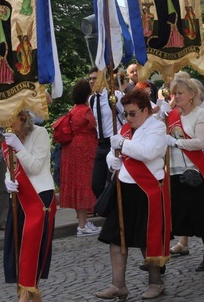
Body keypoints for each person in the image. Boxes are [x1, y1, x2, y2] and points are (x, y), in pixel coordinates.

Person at [95, 89, 169, 301]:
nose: (128, 118)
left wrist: (122, 145)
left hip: (147, 190)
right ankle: (118, 285)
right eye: (126, 113)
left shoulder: (157, 127)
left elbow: (147, 152)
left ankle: (155, 282)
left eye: (132, 113)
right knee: (117, 238)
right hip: (124, 188)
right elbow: (113, 151)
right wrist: (112, 160)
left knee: (148, 239)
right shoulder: (126, 129)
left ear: (146, 110)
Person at [166, 72, 204, 271]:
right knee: (177, 215)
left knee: (202, 216)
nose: (177, 97)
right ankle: (163, 257)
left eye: (180, 93)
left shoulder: (202, 114)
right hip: (175, 172)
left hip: (195, 172)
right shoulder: (172, 116)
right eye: (174, 94)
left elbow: (203, 142)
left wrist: (176, 142)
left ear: (191, 94)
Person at [3, 110, 56, 302]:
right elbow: (11, 170)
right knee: (17, 250)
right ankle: (29, 295)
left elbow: (34, 167)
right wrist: (7, 181)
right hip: (19, 199)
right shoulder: (9, 138)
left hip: (40, 197)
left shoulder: (39, 133)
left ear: (22, 117)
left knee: (32, 250)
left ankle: (25, 297)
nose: (4, 124)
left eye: (8, 119)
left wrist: (18, 147)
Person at [58, 79, 101, 237]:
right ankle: (83, 226)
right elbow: (96, 126)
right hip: (84, 150)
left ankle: (82, 222)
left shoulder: (73, 109)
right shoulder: (86, 110)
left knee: (77, 185)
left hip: (71, 149)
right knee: (84, 184)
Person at [89, 67, 125, 200]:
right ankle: (107, 208)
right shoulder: (92, 99)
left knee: (114, 181)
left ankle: (114, 213)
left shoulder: (115, 97)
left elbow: (126, 116)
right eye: (90, 79)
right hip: (101, 143)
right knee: (96, 184)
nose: (92, 81)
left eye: (95, 78)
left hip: (114, 142)